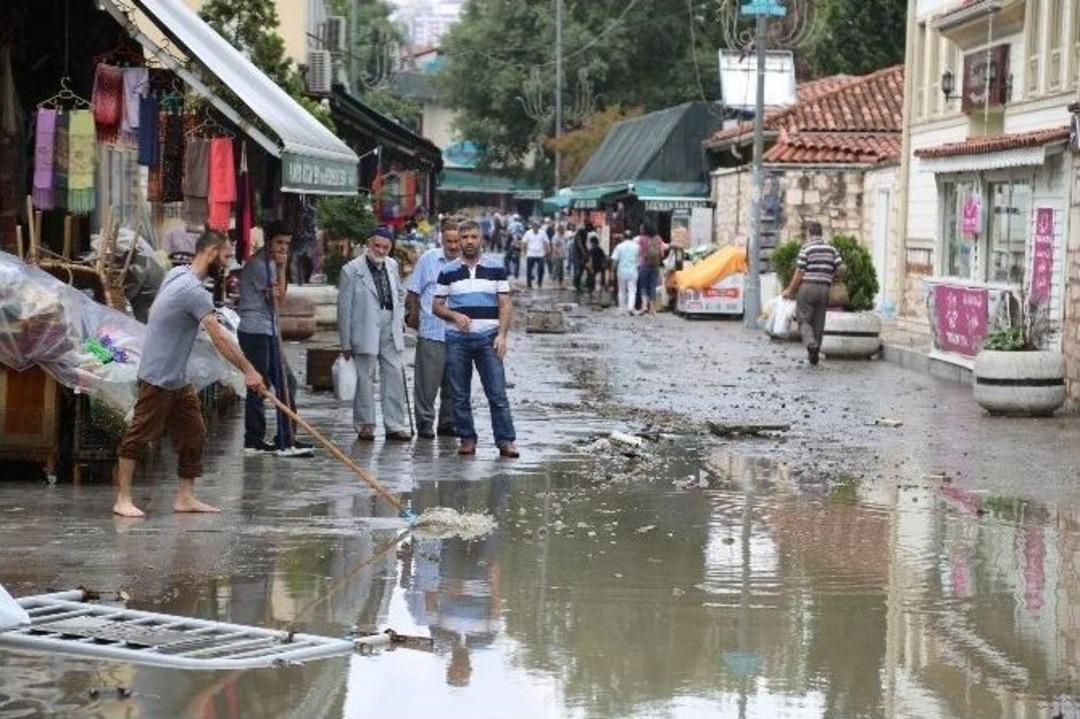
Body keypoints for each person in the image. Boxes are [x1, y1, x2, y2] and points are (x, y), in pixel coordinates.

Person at [113, 231, 265, 518]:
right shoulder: (193, 292)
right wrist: (249, 370)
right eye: (226, 256)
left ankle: (185, 497)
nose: (228, 263)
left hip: (177, 378)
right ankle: (122, 499)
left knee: (193, 433)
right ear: (210, 252)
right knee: (138, 437)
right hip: (158, 376)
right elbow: (219, 338)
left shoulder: (178, 274)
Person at [433, 219, 519, 458]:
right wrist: (453, 315)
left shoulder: (496, 268)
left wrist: (502, 336)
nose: (469, 241)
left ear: (481, 239)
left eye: (473, 237)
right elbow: (437, 306)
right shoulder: (448, 271)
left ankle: (506, 441)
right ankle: (467, 439)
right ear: (458, 241)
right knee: (459, 394)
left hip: (488, 338)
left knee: (497, 393)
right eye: (464, 237)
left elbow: (505, 304)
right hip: (457, 339)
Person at [236, 221, 312, 457]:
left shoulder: (271, 263)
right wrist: (281, 267)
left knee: (287, 382)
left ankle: (286, 437)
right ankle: (255, 439)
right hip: (255, 331)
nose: (283, 248)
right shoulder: (260, 265)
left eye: (287, 244)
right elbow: (278, 299)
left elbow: (281, 295)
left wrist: (282, 265)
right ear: (269, 241)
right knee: (259, 385)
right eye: (279, 242)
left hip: (267, 329)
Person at [338, 226, 412, 441]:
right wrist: (345, 343)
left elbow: (399, 292)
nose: (380, 251)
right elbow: (344, 308)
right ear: (369, 245)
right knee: (364, 377)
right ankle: (365, 424)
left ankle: (395, 424)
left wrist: (400, 317)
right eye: (376, 246)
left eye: (385, 247)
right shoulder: (351, 269)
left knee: (394, 374)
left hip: (390, 324)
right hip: (364, 326)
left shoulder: (392, 265)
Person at [406, 217, 461, 439]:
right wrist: (413, 314)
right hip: (431, 330)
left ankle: (448, 422)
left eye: (457, 241)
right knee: (426, 382)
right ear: (442, 239)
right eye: (449, 241)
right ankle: (425, 422)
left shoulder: (468, 263)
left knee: (454, 382)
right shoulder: (428, 259)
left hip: (458, 333)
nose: (454, 246)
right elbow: (413, 291)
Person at [782, 221, 844, 366]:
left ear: (810, 234)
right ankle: (816, 351)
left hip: (807, 287)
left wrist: (790, 290)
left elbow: (800, 272)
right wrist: (830, 276)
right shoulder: (832, 250)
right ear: (821, 233)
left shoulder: (806, 249)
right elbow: (842, 268)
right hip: (824, 289)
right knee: (819, 322)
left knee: (803, 319)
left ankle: (811, 344)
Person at [636, 225, 667, 315]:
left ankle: (644, 306)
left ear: (645, 230)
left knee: (644, 286)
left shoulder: (641, 239)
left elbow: (638, 251)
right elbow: (662, 253)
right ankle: (652, 309)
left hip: (644, 265)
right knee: (653, 286)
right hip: (655, 265)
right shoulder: (658, 239)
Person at [610, 231, 640, 313]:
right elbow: (639, 260)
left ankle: (622, 307)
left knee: (621, 290)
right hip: (633, 271)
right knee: (632, 290)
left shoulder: (619, 246)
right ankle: (630, 308)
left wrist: (612, 271)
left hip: (621, 271)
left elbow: (614, 260)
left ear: (624, 237)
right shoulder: (637, 247)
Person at [522, 220, 549, 289]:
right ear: (532, 227)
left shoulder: (542, 233)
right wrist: (524, 252)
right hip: (530, 253)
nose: (535, 228)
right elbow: (524, 243)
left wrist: (546, 251)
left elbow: (546, 242)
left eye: (536, 227)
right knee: (529, 270)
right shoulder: (528, 233)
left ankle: (539, 283)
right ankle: (529, 284)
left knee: (541, 269)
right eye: (534, 227)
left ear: (538, 227)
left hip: (540, 254)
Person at [549, 223, 567, 288]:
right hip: (556, 255)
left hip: (561, 256)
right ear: (559, 230)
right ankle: (553, 283)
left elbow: (564, 246)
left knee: (561, 271)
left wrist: (563, 254)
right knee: (556, 270)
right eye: (562, 230)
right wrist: (559, 253)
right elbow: (554, 246)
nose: (563, 231)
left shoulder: (563, 236)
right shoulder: (555, 237)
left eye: (563, 229)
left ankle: (560, 284)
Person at [572, 225, 589, 292]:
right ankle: (577, 285)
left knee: (579, 270)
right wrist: (584, 252)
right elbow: (580, 245)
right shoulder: (579, 236)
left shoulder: (579, 235)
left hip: (578, 255)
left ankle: (577, 284)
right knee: (578, 270)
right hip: (578, 255)